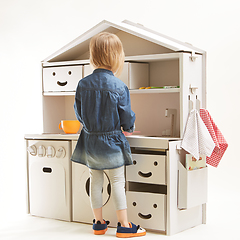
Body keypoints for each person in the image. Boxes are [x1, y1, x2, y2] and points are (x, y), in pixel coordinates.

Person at [71, 32, 146, 238]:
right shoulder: (119, 86)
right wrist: (129, 127)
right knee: (117, 182)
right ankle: (124, 225)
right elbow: (127, 118)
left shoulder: (82, 84)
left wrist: (91, 126)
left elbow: (78, 113)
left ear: (93, 55)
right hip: (112, 141)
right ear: (116, 56)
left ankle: (98, 223)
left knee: (95, 181)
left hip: (90, 140)